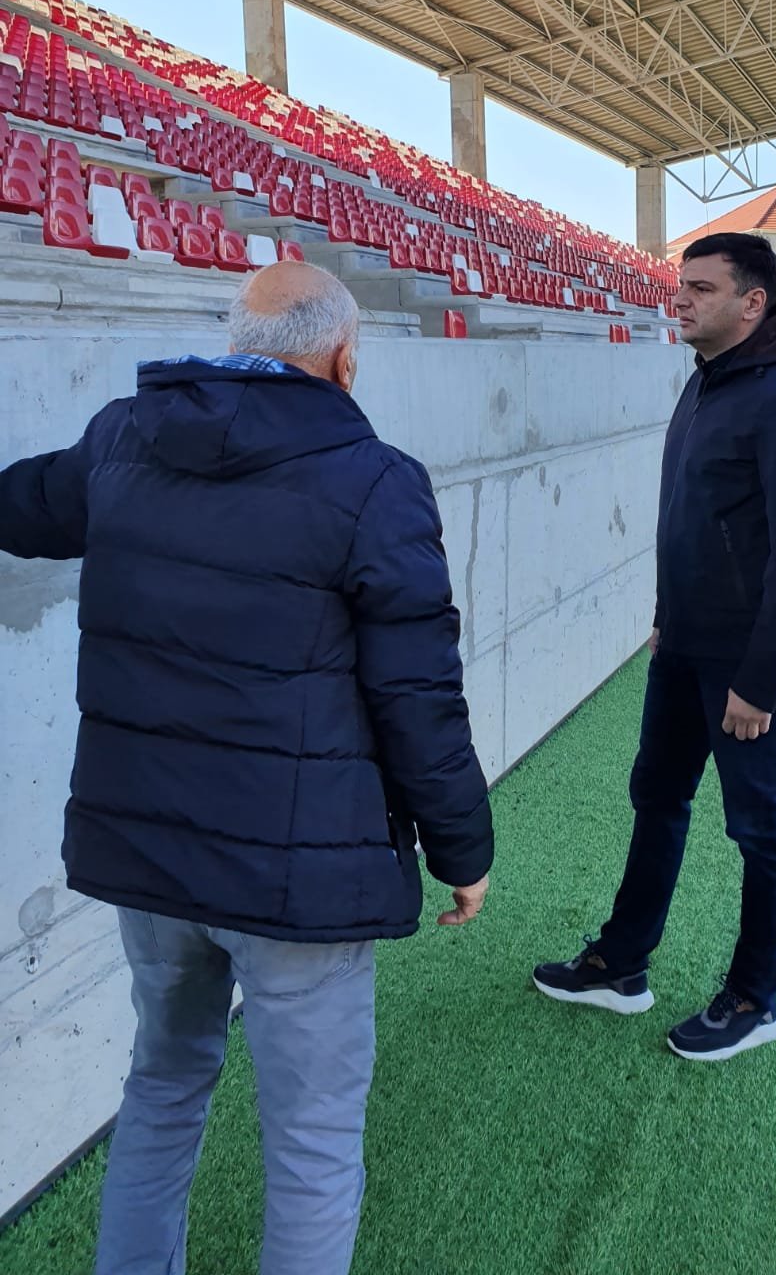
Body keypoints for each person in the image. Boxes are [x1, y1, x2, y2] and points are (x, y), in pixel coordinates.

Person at [0, 262, 494, 1275]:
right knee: (312, 1144)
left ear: (235, 345)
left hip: (150, 862)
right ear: (344, 358)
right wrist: (463, 849)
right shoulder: (375, 481)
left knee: (161, 1088)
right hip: (295, 883)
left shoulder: (123, 438)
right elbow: (419, 698)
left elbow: (19, 506)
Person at [535, 233, 776, 1061]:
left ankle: (756, 998)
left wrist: (762, 679)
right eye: (682, 284)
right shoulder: (705, 380)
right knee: (657, 797)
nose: (681, 299)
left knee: (759, 829)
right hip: (683, 648)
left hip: (746, 665)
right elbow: (690, 519)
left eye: (702, 288)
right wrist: (669, 616)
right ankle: (621, 963)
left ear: (752, 303)